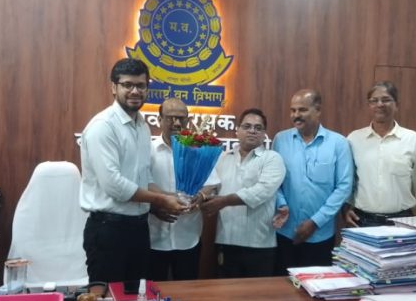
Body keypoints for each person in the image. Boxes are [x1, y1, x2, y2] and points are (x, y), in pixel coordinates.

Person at [79, 58, 186, 289]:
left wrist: (171, 196)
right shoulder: (103, 126)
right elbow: (114, 185)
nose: (135, 91)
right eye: (127, 85)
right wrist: (162, 200)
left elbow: (145, 178)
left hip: (138, 229)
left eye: (141, 85)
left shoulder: (142, 126)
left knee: (136, 298)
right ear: (114, 87)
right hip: (108, 230)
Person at [272, 89, 354, 271]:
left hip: (320, 235)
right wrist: (281, 203)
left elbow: (344, 187)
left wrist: (315, 222)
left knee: (316, 286)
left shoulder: (338, 143)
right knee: (282, 285)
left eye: (302, 110)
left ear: (318, 110)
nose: (296, 115)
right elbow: (273, 180)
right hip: (285, 232)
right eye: (293, 110)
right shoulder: (280, 139)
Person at [200, 108, 286, 278]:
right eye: (247, 126)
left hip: (260, 244)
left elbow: (261, 192)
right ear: (237, 130)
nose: (252, 131)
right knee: (226, 293)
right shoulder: (222, 158)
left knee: (257, 294)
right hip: (226, 240)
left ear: (264, 134)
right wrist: (199, 197)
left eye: (258, 128)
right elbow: (210, 185)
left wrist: (224, 201)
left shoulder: (272, 158)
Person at [345, 81, 416, 227]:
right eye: (374, 101)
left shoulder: (413, 139)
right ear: (369, 106)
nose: (380, 104)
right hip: (362, 221)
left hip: (402, 221)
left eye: (386, 99)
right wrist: (345, 208)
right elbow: (347, 180)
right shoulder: (354, 139)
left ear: (397, 105)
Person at [148, 97, 220, 281]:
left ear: (188, 120)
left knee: (187, 290)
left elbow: (212, 183)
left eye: (181, 118)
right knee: (153, 290)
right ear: (159, 119)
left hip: (188, 235)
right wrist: (160, 202)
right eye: (170, 118)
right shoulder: (148, 150)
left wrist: (201, 196)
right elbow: (141, 184)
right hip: (154, 235)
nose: (177, 123)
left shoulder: (197, 150)